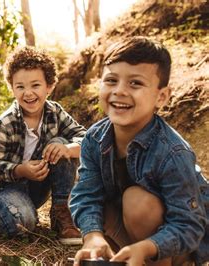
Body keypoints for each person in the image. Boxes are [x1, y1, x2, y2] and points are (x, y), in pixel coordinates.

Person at [70, 37, 208, 265]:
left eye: (135, 83)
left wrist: (147, 248)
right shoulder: (94, 139)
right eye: (111, 80)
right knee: (97, 206)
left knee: (137, 202)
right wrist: (92, 235)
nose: (120, 91)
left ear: (161, 96)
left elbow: (189, 224)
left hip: (176, 243)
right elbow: (86, 194)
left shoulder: (173, 152)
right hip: (129, 232)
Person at [0, 46, 87, 245]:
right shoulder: (5, 123)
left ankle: (60, 212)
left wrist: (68, 149)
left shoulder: (55, 112)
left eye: (35, 85)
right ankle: (10, 213)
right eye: (20, 87)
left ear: (50, 86)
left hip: (37, 187)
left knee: (60, 144)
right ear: (12, 88)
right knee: (24, 224)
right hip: (3, 189)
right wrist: (20, 170)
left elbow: (86, 138)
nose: (28, 93)